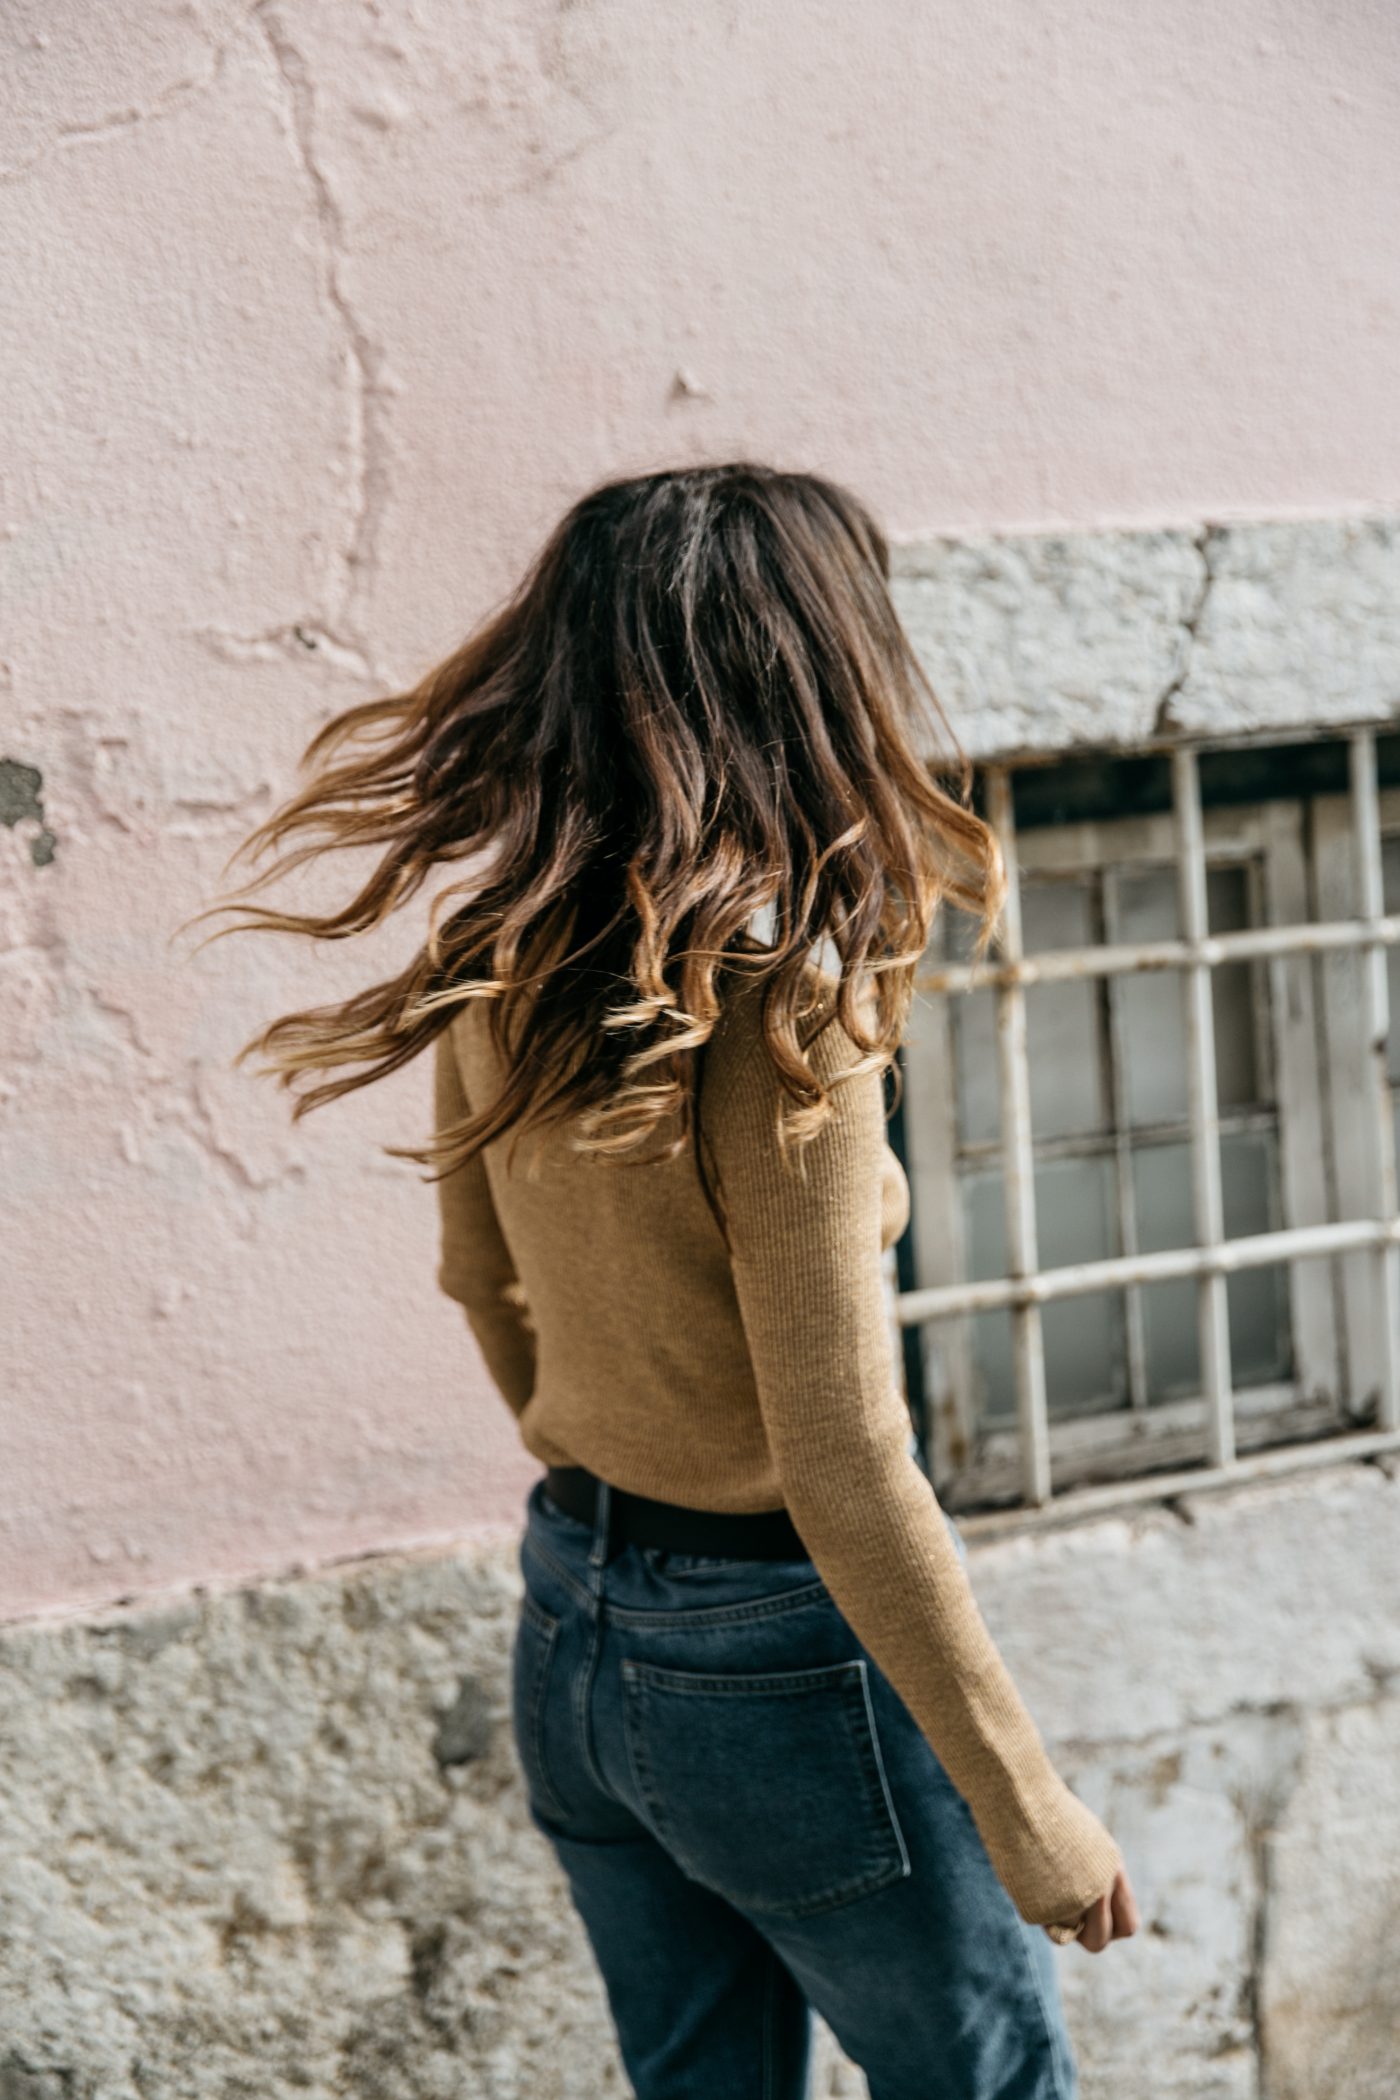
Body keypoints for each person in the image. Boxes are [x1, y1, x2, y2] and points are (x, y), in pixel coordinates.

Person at [200, 463, 1138, 2098]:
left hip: (572, 1614)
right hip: (776, 1660)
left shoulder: (500, 952)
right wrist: (1026, 1803)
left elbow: (481, 1288)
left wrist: (619, 1512)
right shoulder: (789, 1017)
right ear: (818, 671)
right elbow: (846, 1462)